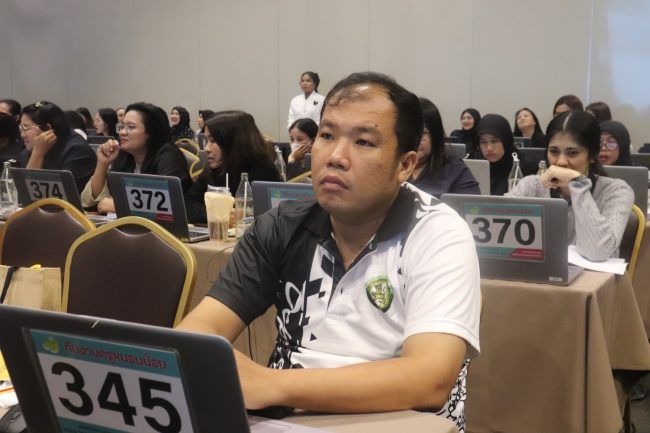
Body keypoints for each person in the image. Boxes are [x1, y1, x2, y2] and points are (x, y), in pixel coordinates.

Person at [177, 72, 481, 432]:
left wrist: (268, 384)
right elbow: (195, 335)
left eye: (364, 142)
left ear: (405, 165)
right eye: (326, 135)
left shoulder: (438, 233)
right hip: (285, 421)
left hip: (399, 421)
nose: (335, 156)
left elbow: (428, 379)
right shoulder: (281, 226)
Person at [507, 110, 633, 261]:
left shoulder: (617, 191)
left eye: (572, 153)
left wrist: (578, 184)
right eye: (554, 151)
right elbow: (496, 239)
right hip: (538, 273)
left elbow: (598, 253)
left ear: (593, 156)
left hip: (592, 275)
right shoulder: (530, 186)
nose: (561, 162)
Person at [81, 102, 192, 212]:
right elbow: (90, 204)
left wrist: (120, 206)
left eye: (131, 127)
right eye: (122, 126)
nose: (122, 132)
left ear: (151, 132)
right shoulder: (124, 155)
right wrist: (102, 164)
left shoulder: (168, 156)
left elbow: (168, 207)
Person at [184, 110, 280, 224]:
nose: (206, 148)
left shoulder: (263, 171)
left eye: (213, 141)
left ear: (233, 142)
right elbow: (187, 205)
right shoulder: (214, 168)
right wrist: (218, 214)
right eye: (206, 140)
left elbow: (260, 216)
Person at [408, 98, 480, 198]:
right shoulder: (391, 166)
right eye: (407, 132)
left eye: (421, 133)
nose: (413, 140)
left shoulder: (453, 168)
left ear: (435, 134)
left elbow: (471, 205)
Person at [20, 101, 96, 192]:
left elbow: (63, 194)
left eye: (26, 128)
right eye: (21, 128)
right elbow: (23, 194)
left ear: (47, 129)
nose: (22, 135)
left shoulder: (78, 151)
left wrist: (38, 154)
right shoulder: (28, 152)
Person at [476, 114, 537, 195]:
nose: (489, 148)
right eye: (483, 142)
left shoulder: (526, 169)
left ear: (506, 140)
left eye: (495, 141)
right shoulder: (474, 168)